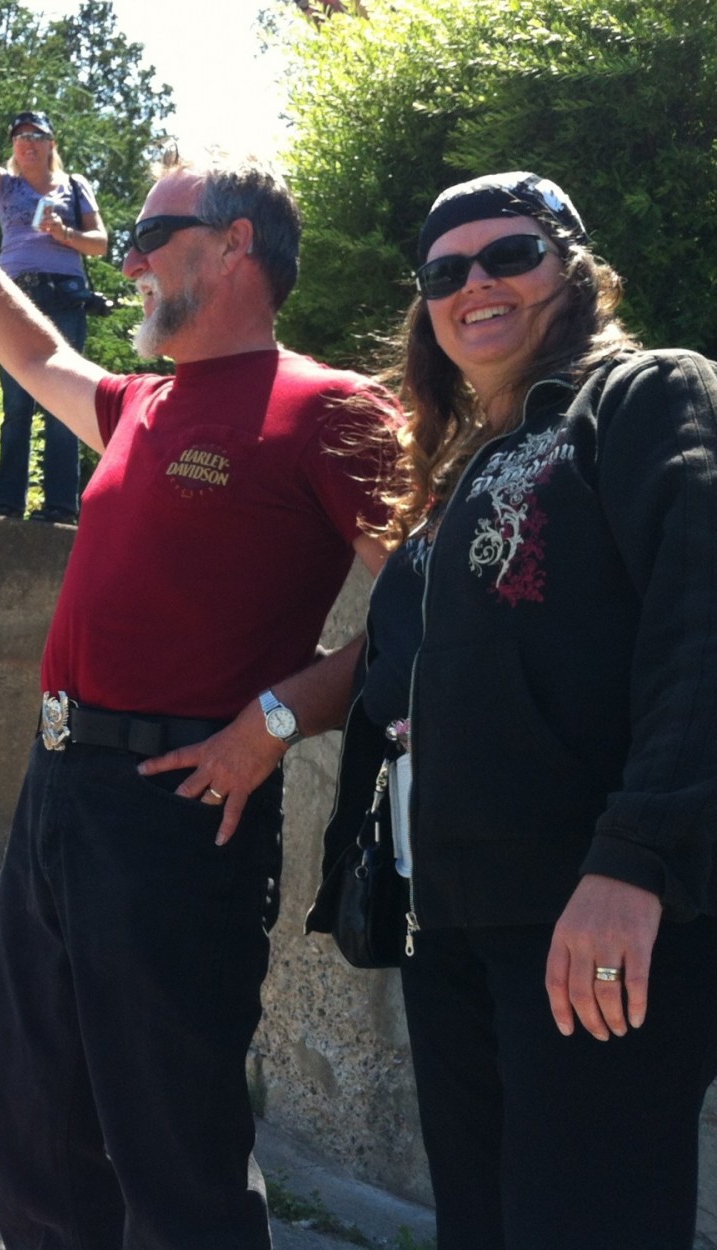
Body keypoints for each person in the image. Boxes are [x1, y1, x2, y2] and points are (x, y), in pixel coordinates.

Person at [0, 127, 394, 1248]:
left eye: (146, 237)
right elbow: (32, 356)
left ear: (232, 246)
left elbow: (425, 610)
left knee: (172, 1152)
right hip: (59, 789)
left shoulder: (327, 409)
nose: (124, 262)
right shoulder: (142, 402)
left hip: (181, 806)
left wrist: (273, 721)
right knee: (33, 1119)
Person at [310, 172, 717, 1250]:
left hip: (594, 909)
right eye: (445, 271)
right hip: (451, 919)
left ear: (572, 269)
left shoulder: (645, 396)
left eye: (509, 256)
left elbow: (700, 625)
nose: (473, 284)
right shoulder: (450, 472)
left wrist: (636, 857)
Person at [0, 48, 108, 523]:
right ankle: (8, 506)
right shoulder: (4, 187)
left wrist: (66, 235)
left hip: (64, 297)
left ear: (51, 143)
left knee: (65, 404)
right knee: (16, 407)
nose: (27, 142)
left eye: (36, 135)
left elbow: (100, 244)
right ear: (13, 146)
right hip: (14, 298)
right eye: (19, 136)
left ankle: (59, 508)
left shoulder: (74, 186)